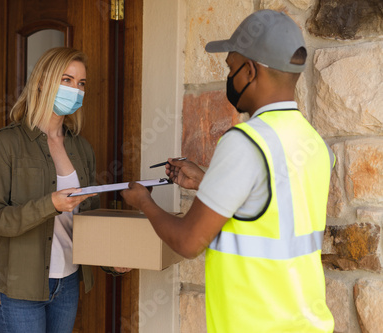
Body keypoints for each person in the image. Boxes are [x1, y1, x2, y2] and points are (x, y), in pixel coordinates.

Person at [121, 10, 335, 333]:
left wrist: (144, 204)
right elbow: (273, 209)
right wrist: (208, 182)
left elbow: (189, 241)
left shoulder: (244, 142)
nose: (229, 77)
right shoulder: (316, 144)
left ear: (250, 70)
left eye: (231, 67)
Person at [0, 47, 128, 333]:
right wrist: (51, 204)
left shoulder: (82, 148)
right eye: (67, 80)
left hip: (68, 283)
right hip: (18, 288)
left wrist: (112, 259)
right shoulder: (7, 143)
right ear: (41, 82)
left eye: (81, 83)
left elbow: (86, 220)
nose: (75, 90)